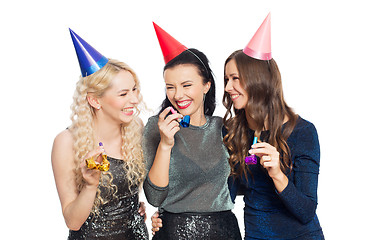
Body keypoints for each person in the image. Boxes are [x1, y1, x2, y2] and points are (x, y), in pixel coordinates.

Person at [224, 13, 324, 239]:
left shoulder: (303, 132)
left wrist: (277, 174)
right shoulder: (232, 131)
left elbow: (306, 211)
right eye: (226, 80)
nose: (228, 87)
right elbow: (225, 196)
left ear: (258, 80)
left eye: (235, 78)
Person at [143, 22, 241, 239]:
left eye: (186, 85)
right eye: (170, 87)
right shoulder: (156, 127)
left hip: (223, 232)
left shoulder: (224, 127)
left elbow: (244, 181)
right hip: (173, 232)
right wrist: (165, 145)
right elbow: (154, 198)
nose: (178, 95)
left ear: (206, 85)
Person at [51, 29, 149, 239]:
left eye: (134, 90)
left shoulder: (136, 127)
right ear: (95, 100)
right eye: (123, 94)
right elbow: (73, 221)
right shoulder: (67, 142)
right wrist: (90, 186)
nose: (134, 99)